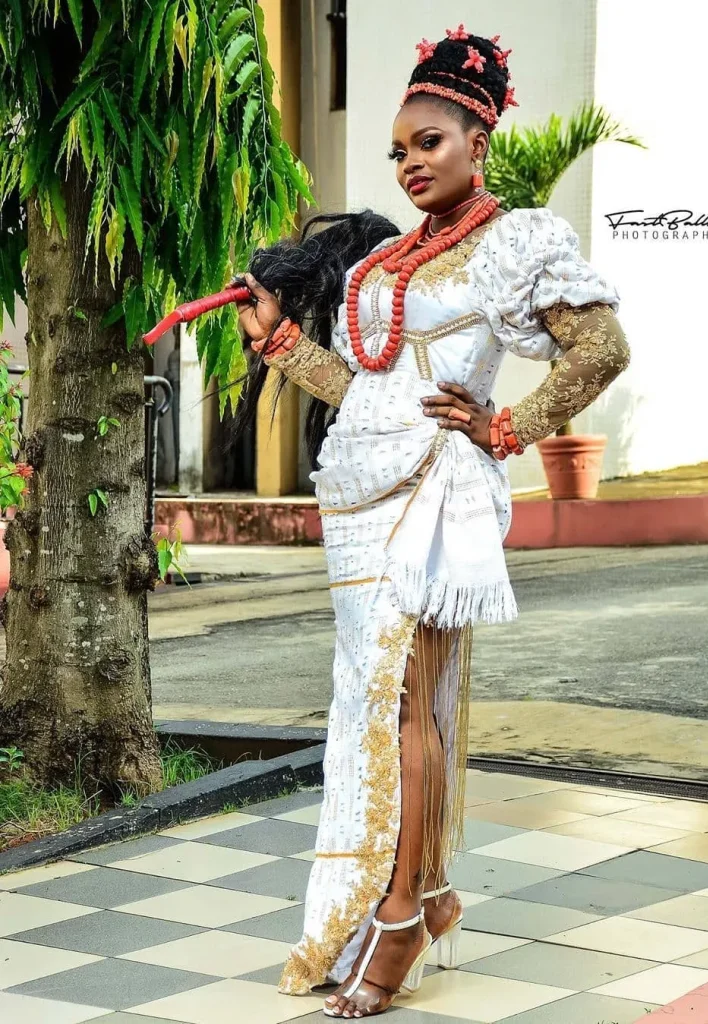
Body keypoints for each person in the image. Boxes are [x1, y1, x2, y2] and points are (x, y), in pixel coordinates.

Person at [234, 26, 630, 1019]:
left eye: (430, 143)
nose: (411, 162)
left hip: (435, 497)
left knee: (413, 706)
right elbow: (362, 382)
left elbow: (601, 348)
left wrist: (508, 425)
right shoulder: (379, 264)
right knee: (371, 706)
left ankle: (405, 911)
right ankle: (424, 890)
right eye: (399, 151)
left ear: (478, 139)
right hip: (358, 495)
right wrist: (279, 340)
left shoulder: (519, 240)